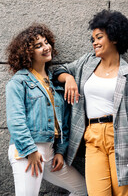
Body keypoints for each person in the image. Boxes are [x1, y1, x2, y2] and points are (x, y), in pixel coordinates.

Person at [53, 10, 128, 196]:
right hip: (93, 139)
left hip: (123, 139)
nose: (94, 42)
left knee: (123, 194)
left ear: (114, 38)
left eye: (99, 37)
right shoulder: (86, 62)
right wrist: (69, 79)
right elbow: (59, 71)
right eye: (93, 39)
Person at [6, 24, 87, 196]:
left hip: (50, 153)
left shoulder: (55, 82)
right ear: (27, 53)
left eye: (46, 42)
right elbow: (15, 121)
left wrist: (59, 151)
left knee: (83, 189)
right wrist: (31, 151)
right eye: (38, 46)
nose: (46, 47)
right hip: (26, 151)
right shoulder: (19, 82)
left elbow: (63, 122)